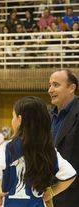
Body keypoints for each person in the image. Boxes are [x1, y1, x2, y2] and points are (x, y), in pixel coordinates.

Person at [0, 96, 76, 207]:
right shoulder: (48, 149)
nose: (12, 120)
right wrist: (52, 192)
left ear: (19, 120)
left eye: (13, 116)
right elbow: (70, 175)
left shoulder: (7, 147)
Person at [48, 69, 79, 207]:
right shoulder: (48, 116)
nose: (50, 90)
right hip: (48, 193)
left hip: (73, 194)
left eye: (55, 85)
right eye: (49, 85)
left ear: (72, 88)